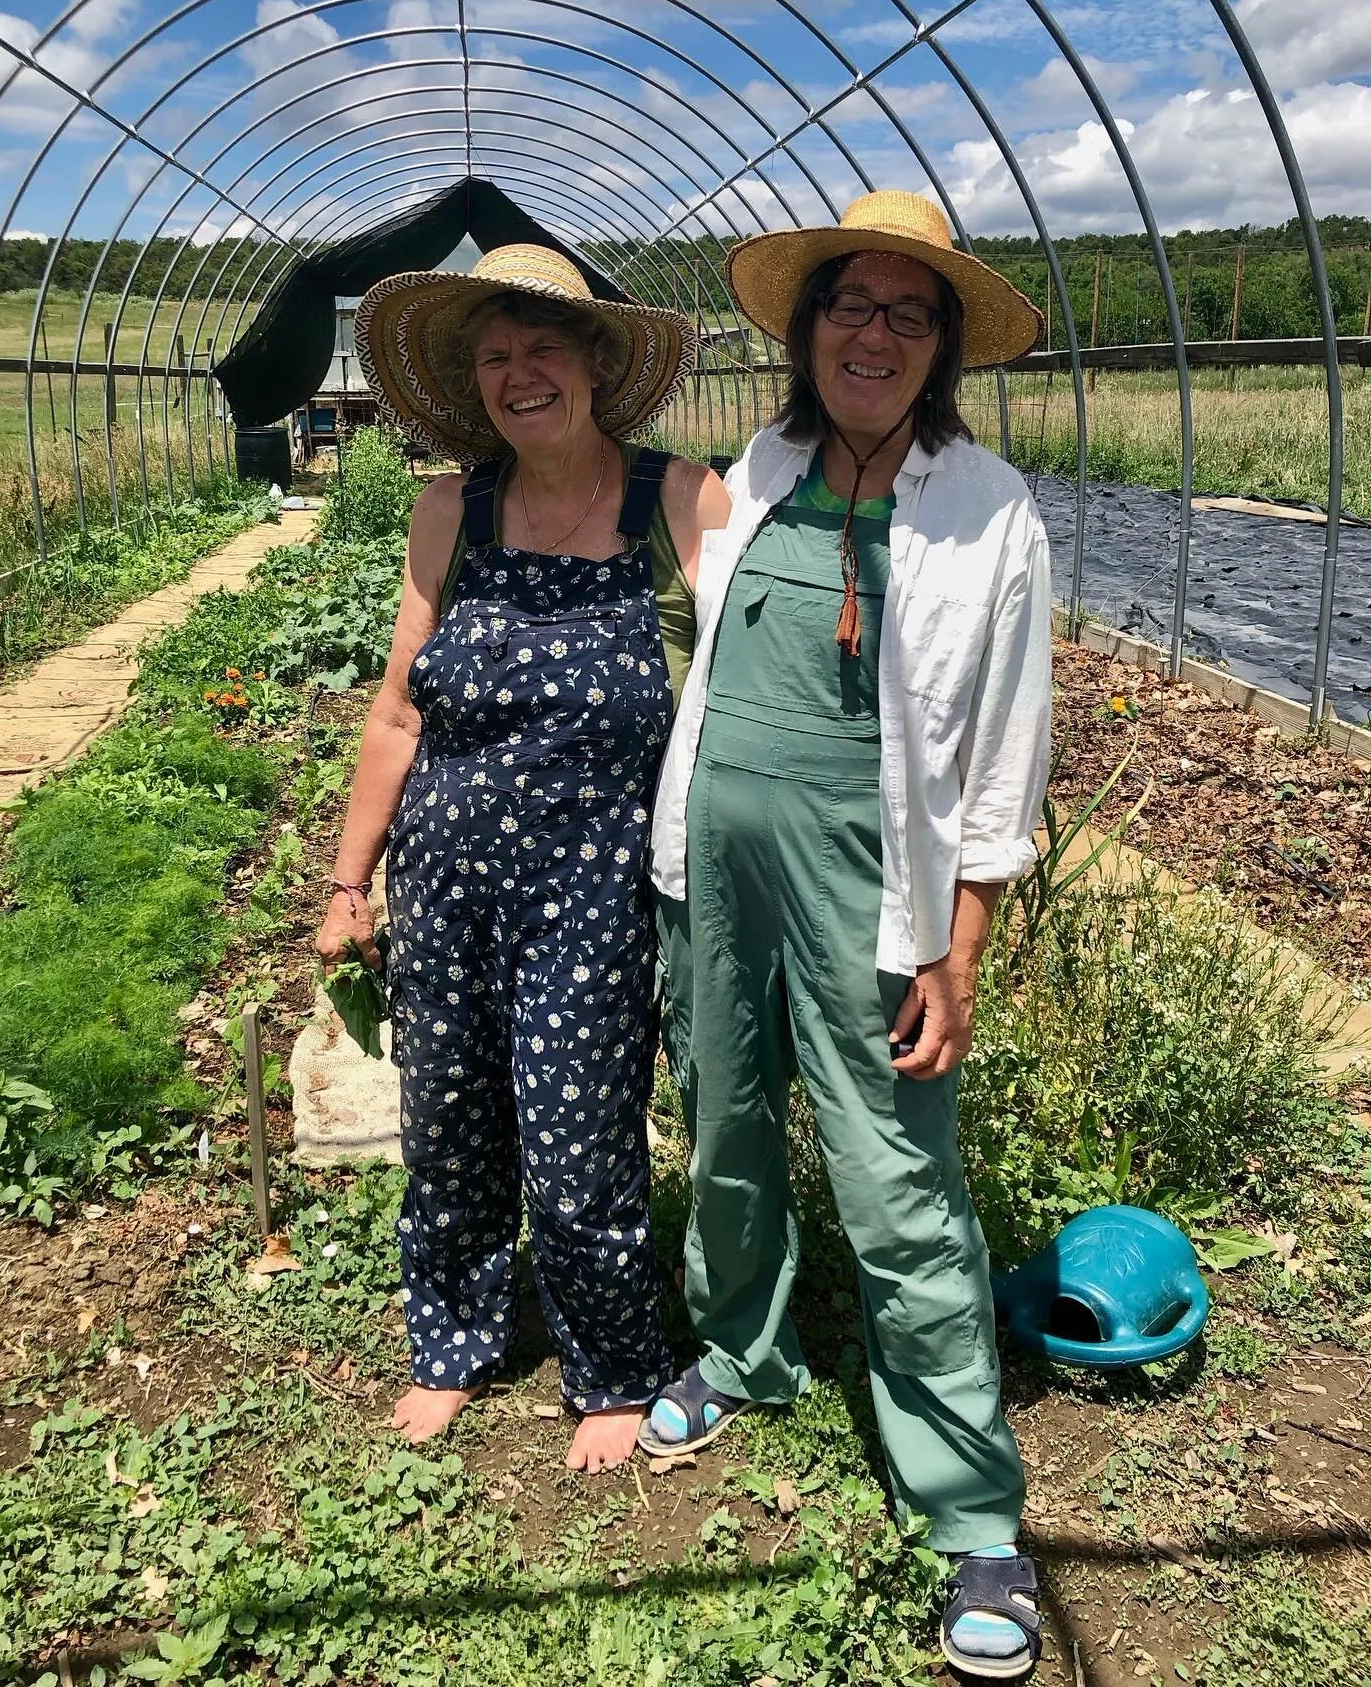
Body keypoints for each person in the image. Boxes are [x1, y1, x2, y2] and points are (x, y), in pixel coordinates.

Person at [643, 191, 1052, 1675]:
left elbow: (1003, 752)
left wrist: (961, 943)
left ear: (940, 347)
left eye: (907, 312)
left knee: (896, 1176)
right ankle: (743, 1354)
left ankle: (971, 1514)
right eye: (847, 306)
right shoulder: (757, 469)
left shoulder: (986, 506)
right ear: (805, 328)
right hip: (717, 866)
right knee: (727, 1123)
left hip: (872, 885)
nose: (871, 333)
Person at [316, 243, 728, 1474]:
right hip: (443, 881)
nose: (520, 373)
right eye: (495, 357)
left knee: (583, 1132)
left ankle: (610, 1365)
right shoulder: (453, 507)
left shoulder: (679, 499)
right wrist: (350, 882)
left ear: (599, 360)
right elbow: (397, 712)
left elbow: (755, 681)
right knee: (446, 1122)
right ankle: (451, 1344)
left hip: (593, 889)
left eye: (544, 345)